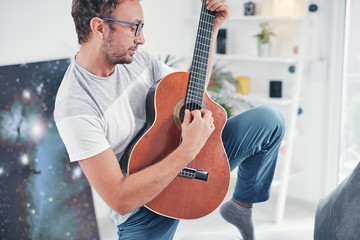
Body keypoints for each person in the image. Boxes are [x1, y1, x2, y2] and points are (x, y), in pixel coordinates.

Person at [54, 0, 285, 239]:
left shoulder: (137, 60)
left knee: (270, 120)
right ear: (99, 28)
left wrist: (212, 29)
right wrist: (189, 149)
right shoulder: (75, 107)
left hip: (188, 157)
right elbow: (120, 199)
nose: (141, 39)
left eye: (141, 27)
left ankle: (240, 208)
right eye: (134, 27)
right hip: (143, 207)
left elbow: (191, 94)